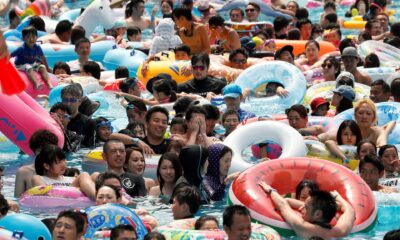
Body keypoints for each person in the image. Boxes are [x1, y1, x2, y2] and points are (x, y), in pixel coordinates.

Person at [259, 182, 356, 239]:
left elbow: (282, 205)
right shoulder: (340, 231)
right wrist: (338, 197)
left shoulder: (304, 228)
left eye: (306, 207)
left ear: (318, 214)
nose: (302, 208)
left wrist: (271, 190)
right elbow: (350, 211)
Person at [319, 99, 395, 148]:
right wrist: (317, 138)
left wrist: (386, 132)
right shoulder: (348, 129)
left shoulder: (377, 132)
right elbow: (327, 136)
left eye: (368, 114)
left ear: (373, 117)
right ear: (355, 115)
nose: (364, 117)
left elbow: (383, 144)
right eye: (361, 113)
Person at [32, 144, 96, 200]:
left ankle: (103, 197)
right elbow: (47, 194)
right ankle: (97, 199)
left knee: (95, 175)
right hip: (59, 200)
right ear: (47, 166)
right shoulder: (38, 178)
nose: (63, 164)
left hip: (75, 200)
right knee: (84, 175)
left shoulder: (72, 178)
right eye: (59, 162)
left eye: (64, 160)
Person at [14, 129, 59, 197]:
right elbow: (17, 199)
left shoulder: (61, 170)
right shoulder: (24, 172)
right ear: (34, 151)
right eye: (40, 151)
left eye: (47, 150)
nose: (44, 154)